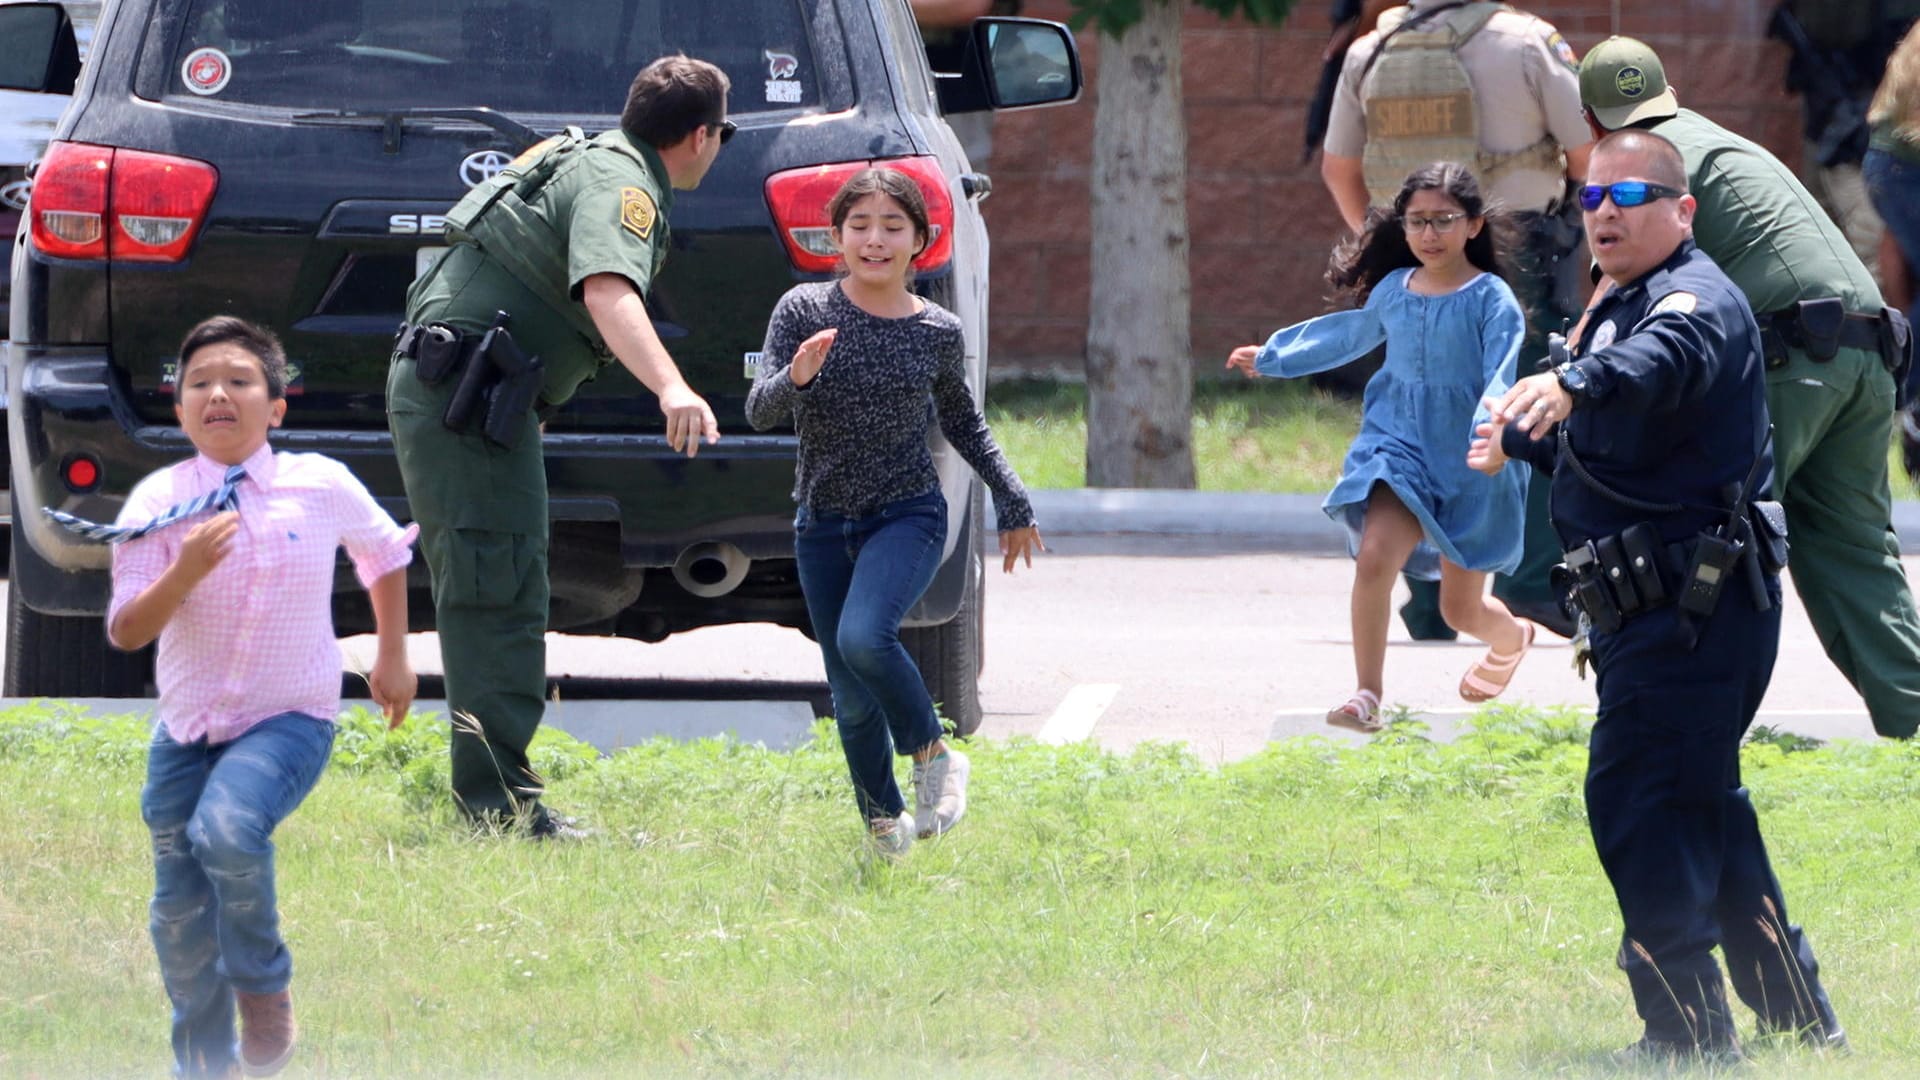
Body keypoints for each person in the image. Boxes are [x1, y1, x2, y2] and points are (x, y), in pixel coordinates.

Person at [1470, 129, 1843, 1061]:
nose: (1605, 214)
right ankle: (1799, 1019)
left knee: (1637, 800)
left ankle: (1686, 1035)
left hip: (1695, 613)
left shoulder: (1693, 301)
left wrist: (1572, 379)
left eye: (1629, 196)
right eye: (1591, 199)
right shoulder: (1623, 302)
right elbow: (1622, 459)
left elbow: (1657, 362)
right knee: (1701, 808)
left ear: (1682, 211)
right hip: (1663, 611)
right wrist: (1522, 434)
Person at [51, 316, 418, 1078]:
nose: (219, 393)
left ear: (276, 408)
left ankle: (263, 985)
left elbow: (382, 554)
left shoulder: (318, 482)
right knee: (179, 916)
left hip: (291, 717)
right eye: (199, 385)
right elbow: (125, 630)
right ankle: (205, 1066)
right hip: (186, 729)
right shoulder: (159, 498)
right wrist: (180, 574)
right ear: (178, 408)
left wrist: (392, 659)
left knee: (227, 830)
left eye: (241, 381)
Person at [387, 55, 727, 836]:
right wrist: (672, 386)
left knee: (500, 583)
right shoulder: (624, 185)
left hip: (471, 395)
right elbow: (607, 288)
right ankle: (496, 806)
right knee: (495, 592)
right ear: (701, 136)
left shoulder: (579, 153)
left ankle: (495, 791)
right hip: (462, 397)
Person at [1580, 36, 1920, 740]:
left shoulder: (1643, 169)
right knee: (1854, 554)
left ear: (1590, 119)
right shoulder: (1712, 137)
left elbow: (1616, 295)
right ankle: (1915, 721)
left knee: (1713, 532)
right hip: (1864, 347)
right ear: (1665, 93)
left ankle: (1678, 724)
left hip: (1790, 353)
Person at [746, 167, 1043, 857]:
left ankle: (935, 755)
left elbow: (965, 426)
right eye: (859, 226)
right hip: (821, 523)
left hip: (906, 514)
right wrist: (795, 377)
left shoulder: (936, 331)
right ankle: (886, 829)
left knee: (862, 637)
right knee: (849, 696)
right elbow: (759, 410)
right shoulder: (802, 310)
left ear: (921, 242)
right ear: (836, 237)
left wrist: (1012, 495)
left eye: (891, 227)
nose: (874, 240)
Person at [1320, 0, 1594, 642]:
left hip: (1414, 258)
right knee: (1523, 418)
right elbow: (1586, 158)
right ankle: (1528, 591)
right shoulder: (1529, 44)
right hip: (1516, 254)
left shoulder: (1371, 50)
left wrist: (1389, 246)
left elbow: (1339, 168)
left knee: (1422, 426)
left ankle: (1426, 603)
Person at [1228, 162, 1533, 734]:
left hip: (1471, 460)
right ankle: (1366, 694)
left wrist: (1492, 432)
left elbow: (1502, 373)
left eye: (1444, 220)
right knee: (1374, 558)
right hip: (1397, 444)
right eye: (1417, 221)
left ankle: (1511, 638)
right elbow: (1348, 334)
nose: (1429, 234)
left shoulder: (1492, 298)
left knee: (1459, 610)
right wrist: (1274, 356)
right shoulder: (1396, 288)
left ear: (1472, 226)